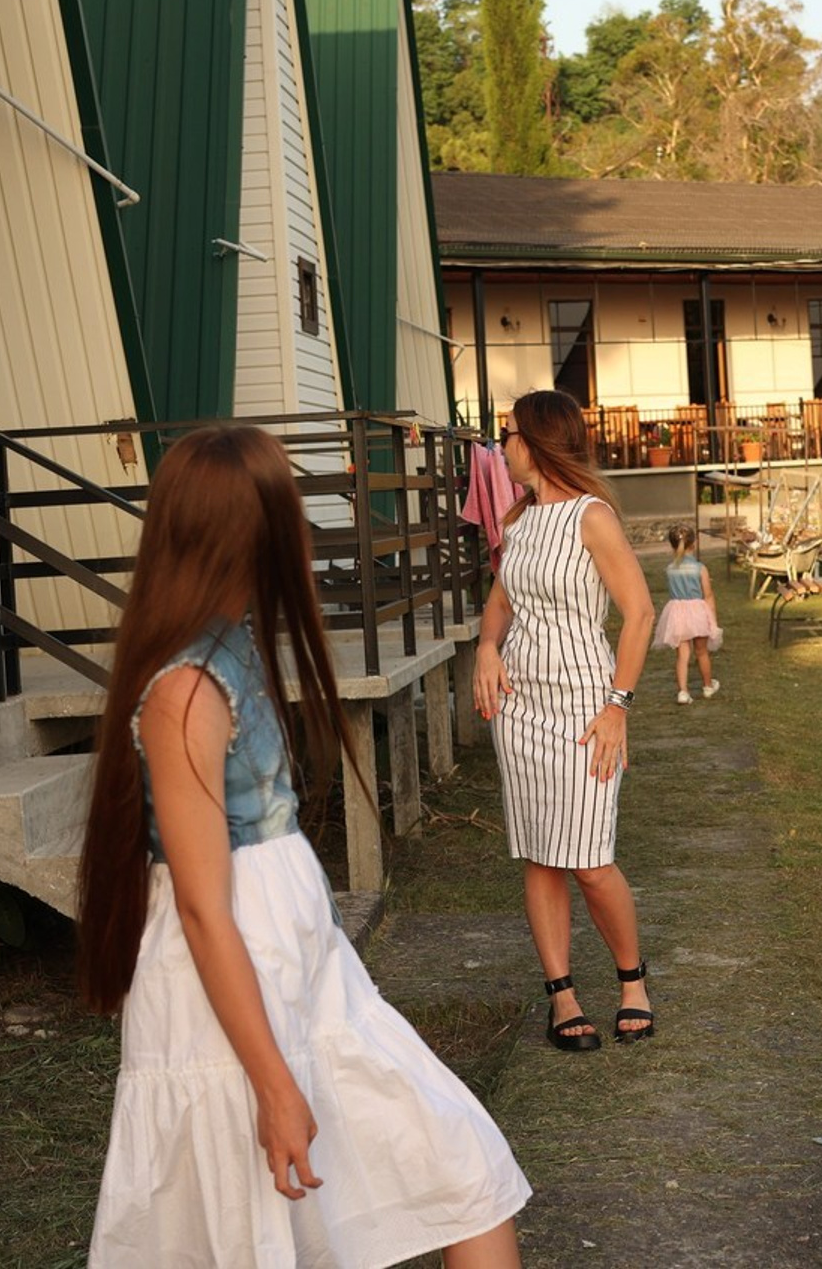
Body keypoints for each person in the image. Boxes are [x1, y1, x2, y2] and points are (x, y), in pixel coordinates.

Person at [76, 425, 528, 1268]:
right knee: (249, 1235)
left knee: (462, 1165)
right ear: (251, 531)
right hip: (228, 1001)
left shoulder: (232, 641)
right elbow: (206, 910)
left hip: (307, 978)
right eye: (288, 511)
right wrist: (275, 1083)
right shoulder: (184, 689)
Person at [473, 390, 657, 1052]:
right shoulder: (518, 521)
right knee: (541, 855)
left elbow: (639, 614)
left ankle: (632, 981)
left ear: (540, 440)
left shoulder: (591, 517)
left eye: (510, 433)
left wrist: (619, 706)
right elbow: (501, 602)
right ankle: (563, 996)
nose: (502, 445)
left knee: (590, 860)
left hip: (584, 707)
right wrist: (486, 648)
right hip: (519, 709)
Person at [653, 523, 722, 704]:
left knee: (682, 655)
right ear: (695, 543)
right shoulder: (700, 568)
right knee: (701, 652)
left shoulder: (670, 569)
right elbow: (708, 595)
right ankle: (708, 686)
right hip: (698, 612)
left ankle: (683, 692)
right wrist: (712, 618)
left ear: (672, 545)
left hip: (678, 613)